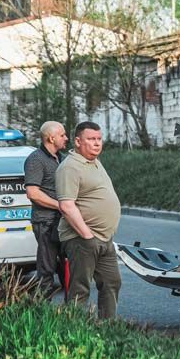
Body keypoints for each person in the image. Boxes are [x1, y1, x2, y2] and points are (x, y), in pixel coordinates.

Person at [56, 121, 122, 318]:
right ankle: (73, 334)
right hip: (81, 239)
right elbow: (66, 205)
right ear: (77, 141)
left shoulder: (94, 162)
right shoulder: (69, 167)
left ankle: (107, 330)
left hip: (103, 239)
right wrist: (87, 236)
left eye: (99, 139)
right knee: (80, 289)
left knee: (112, 282)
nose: (97, 144)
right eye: (91, 139)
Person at [23, 121, 68, 296]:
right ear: (51, 138)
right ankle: (43, 310)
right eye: (62, 135)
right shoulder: (36, 160)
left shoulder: (62, 158)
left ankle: (72, 311)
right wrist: (60, 205)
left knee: (68, 266)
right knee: (47, 268)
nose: (66, 138)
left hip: (63, 220)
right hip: (46, 222)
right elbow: (33, 193)